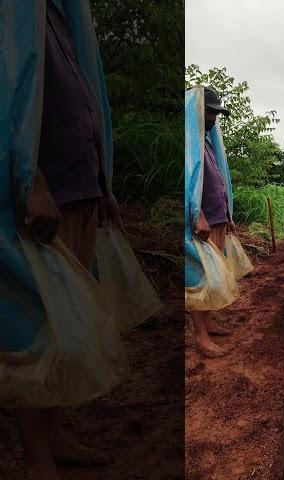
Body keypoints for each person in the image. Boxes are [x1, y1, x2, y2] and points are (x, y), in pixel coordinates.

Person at [2, 2, 126, 479]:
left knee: (69, 323)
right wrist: (29, 181)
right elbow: (10, 95)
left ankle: (53, 435)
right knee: (42, 328)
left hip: (78, 189)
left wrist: (103, 185)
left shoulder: (60, 14)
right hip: (41, 197)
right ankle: (37, 460)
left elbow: (84, 98)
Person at [191, 87, 238, 357]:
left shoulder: (206, 141)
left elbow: (218, 182)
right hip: (202, 224)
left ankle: (208, 323)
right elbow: (189, 184)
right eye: (210, 112)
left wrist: (228, 217)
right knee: (201, 278)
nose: (214, 118)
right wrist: (198, 214)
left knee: (213, 277)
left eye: (216, 113)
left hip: (217, 220)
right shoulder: (189, 142)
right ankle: (201, 336)